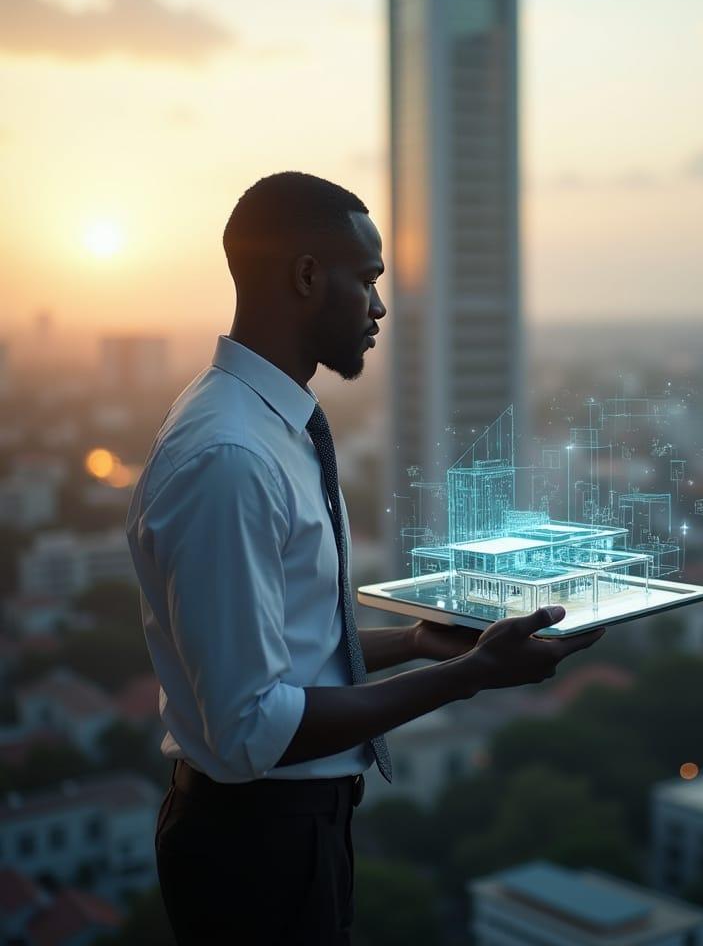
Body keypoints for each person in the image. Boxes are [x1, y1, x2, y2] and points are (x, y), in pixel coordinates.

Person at [124, 171, 605, 945]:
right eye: (369, 280)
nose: (380, 309)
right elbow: (255, 727)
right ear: (309, 275)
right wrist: (469, 675)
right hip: (256, 849)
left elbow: (288, 654)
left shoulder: (265, 424)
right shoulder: (230, 455)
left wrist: (416, 643)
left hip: (290, 831)